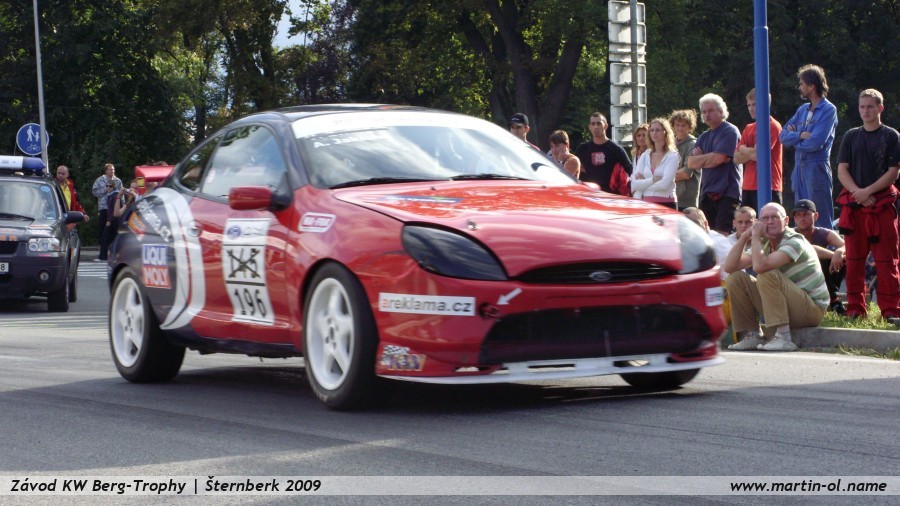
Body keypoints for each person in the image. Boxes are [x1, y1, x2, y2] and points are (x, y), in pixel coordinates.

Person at [723, 203, 829, 351]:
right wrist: (745, 236)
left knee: (767, 274)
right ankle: (753, 335)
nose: (769, 222)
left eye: (774, 217)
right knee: (735, 278)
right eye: (765, 218)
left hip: (811, 310)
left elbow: (761, 267)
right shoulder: (765, 242)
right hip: (786, 306)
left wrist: (755, 237)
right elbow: (729, 267)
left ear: (786, 221)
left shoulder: (795, 240)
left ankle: (784, 337)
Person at [835, 88, 900, 323]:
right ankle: (855, 309)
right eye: (862, 107)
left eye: (870, 106)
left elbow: (893, 172)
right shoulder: (851, 136)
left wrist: (868, 191)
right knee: (853, 261)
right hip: (855, 207)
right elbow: (842, 170)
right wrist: (857, 193)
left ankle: (891, 311)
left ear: (880, 108)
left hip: (881, 207)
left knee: (887, 262)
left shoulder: (892, 136)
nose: (865, 111)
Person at [780, 64, 838, 229]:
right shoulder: (802, 110)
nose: (799, 87)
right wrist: (800, 135)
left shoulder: (828, 110)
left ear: (812, 86)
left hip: (816, 167)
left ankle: (825, 245)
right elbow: (783, 136)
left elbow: (815, 142)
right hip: (799, 168)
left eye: (802, 83)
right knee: (801, 217)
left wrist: (794, 139)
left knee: (820, 218)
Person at [687, 94, 742, 234]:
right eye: (704, 112)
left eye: (710, 110)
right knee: (706, 233)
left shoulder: (730, 131)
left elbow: (718, 158)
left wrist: (702, 159)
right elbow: (691, 163)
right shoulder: (703, 137)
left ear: (721, 111)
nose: (707, 115)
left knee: (723, 234)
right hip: (707, 193)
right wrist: (711, 158)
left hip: (727, 192)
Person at [791, 199, 846, 315]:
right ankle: (833, 300)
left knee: (845, 258)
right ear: (794, 218)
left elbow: (846, 246)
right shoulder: (790, 234)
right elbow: (809, 250)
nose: (802, 218)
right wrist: (833, 254)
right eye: (798, 215)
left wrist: (839, 251)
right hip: (798, 278)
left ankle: (837, 299)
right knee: (817, 258)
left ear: (815, 216)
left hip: (823, 277)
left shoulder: (824, 233)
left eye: (806, 214)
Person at [733, 88, 784, 210]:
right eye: (749, 105)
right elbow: (736, 158)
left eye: (755, 104)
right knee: (748, 220)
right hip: (748, 185)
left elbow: (758, 155)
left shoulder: (772, 125)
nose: (751, 108)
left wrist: (743, 148)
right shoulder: (749, 128)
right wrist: (751, 151)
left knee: (769, 220)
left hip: (769, 185)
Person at [575, 112, 633, 195]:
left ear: (605, 126)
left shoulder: (616, 149)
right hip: (588, 194)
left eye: (599, 123)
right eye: (593, 124)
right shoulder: (582, 149)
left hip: (610, 196)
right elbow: (573, 170)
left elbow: (630, 170)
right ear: (589, 127)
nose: (596, 127)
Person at [630, 118, 679, 208]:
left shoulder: (672, 155)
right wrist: (652, 180)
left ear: (665, 132)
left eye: (658, 130)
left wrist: (643, 183)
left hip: (666, 203)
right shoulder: (645, 155)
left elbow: (664, 185)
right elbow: (634, 184)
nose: (654, 133)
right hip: (646, 203)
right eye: (652, 130)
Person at [92, 163, 122, 261]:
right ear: (106, 171)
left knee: (114, 232)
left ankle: (114, 254)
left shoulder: (117, 181)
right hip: (104, 208)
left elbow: (121, 194)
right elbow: (94, 192)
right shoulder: (100, 180)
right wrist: (105, 190)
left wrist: (122, 206)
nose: (112, 171)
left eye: (113, 169)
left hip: (114, 209)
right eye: (110, 169)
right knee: (103, 231)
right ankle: (103, 254)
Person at [671, 109, 700, 211]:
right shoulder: (670, 144)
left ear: (689, 126)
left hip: (687, 200)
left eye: (683, 125)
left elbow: (686, 173)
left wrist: (663, 178)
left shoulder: (693, 144)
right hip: (671, 197)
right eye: (677, 125)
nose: (680, 128)